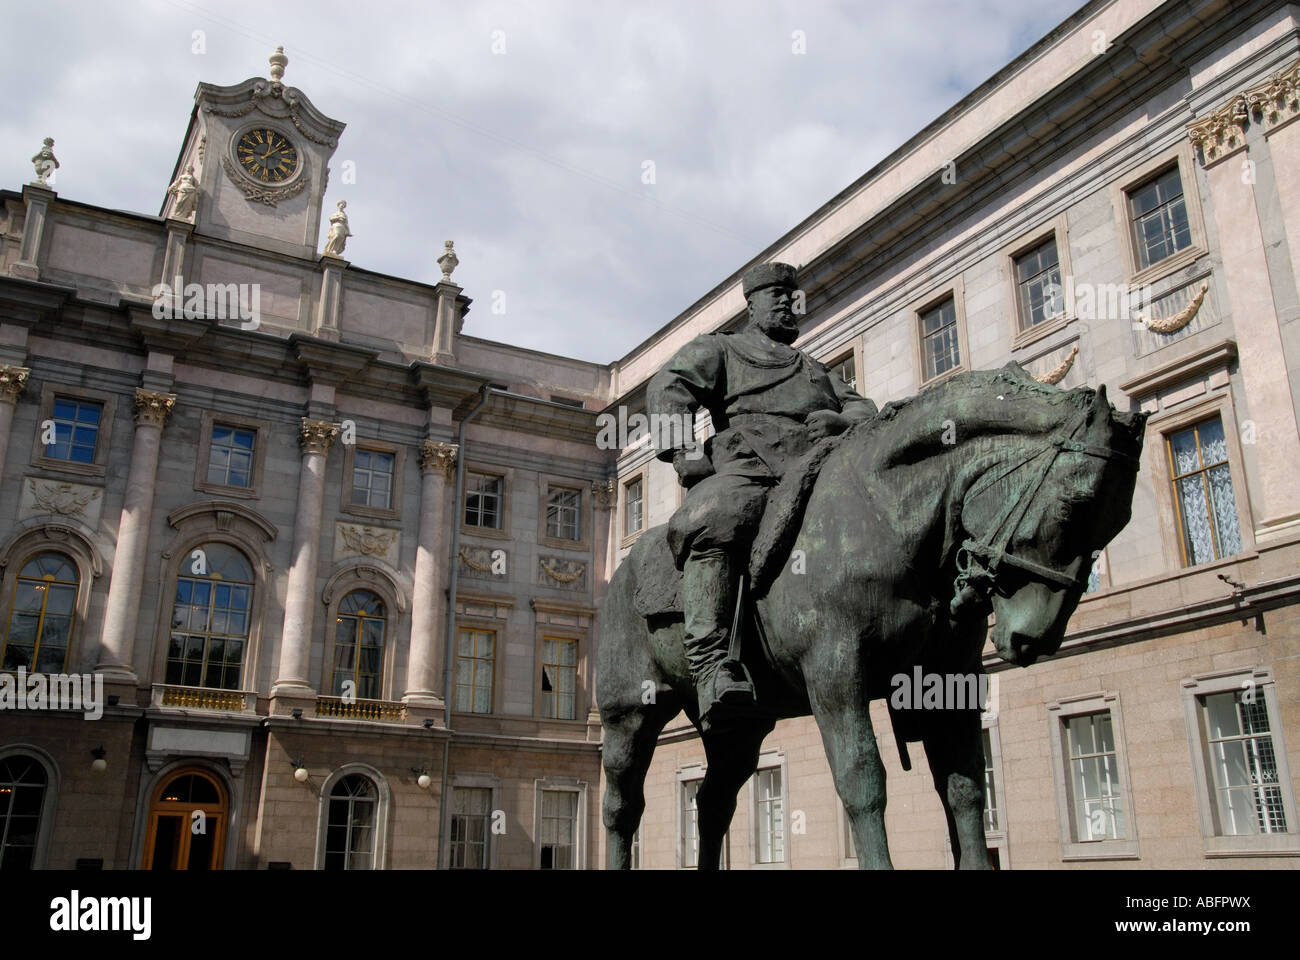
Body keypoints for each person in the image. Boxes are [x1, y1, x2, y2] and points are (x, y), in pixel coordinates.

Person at [646, 261, 876, 731]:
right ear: (751, 304)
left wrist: (841, 421)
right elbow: (667, 387)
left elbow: (862, 407)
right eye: (778, 297)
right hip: (750, 469)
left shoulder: (813, 367)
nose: (789, 306)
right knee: (719, 516)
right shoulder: (721, 349)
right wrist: (684, 450)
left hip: (817, 469)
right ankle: (711, 665)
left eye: (794, 299)